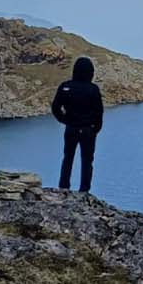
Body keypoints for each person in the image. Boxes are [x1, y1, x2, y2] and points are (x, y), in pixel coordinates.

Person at [51, 56, 104, 192]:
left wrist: (65, 120)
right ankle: (84, 190)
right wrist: (95, 129)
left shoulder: (65, 87)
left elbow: (55, 108)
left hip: (71, 128)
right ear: (90, 72)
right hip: (88, 130)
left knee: (68, 157)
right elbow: (99, 112)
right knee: (87, 161)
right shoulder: (93, 89)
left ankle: (64, 187)